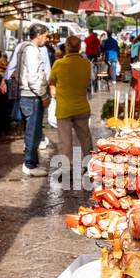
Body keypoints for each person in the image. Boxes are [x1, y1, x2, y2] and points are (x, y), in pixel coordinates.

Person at [1, 23, 50, 176]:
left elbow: (13, 68)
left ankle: (31, 163)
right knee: (33, 131)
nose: (47, 39)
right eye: (46, 36)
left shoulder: (22, 47)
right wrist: (43, 95)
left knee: (31, 130)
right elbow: (34, 77)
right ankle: (30, 165)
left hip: (25, 94)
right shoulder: (32, 51)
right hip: (32, 95)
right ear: (39, 34)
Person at [50, 34, 93, 183]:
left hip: (64, 109)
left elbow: (51, 83)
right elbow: (88, 83)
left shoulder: (58, 64)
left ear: (67, 47)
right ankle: (89, 166)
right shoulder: (86, 64)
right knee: (85, 139)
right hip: (81, 107)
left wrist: (54, 92)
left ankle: (65, 171)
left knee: (65, 141)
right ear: (80, 47)